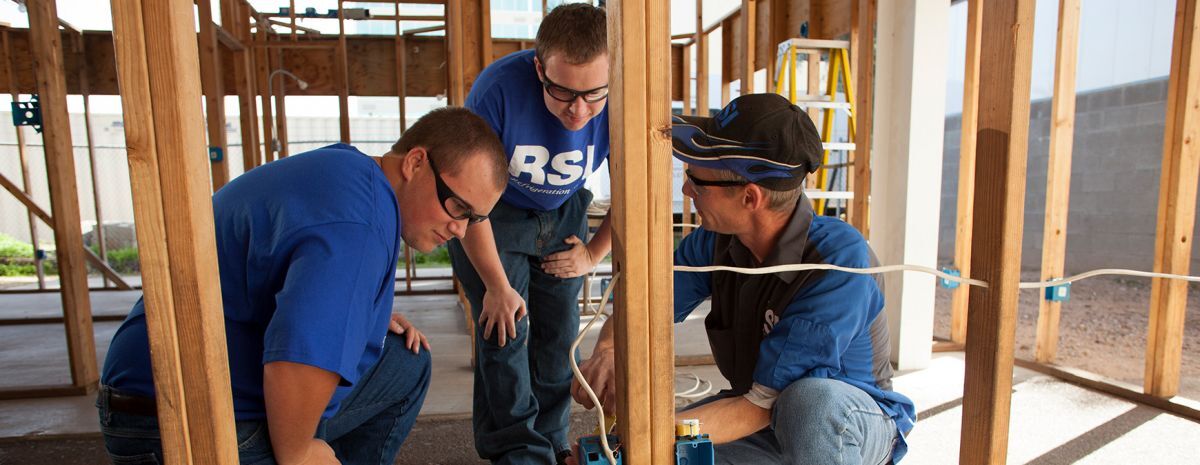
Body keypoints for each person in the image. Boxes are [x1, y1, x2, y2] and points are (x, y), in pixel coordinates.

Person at [97, 107, 509, 465]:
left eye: (473, 220)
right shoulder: (359, 226)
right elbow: (299, 360)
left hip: (157, 391)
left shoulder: (348, 173)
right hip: (180, 420)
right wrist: (299, 453)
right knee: (303, 439)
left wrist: (360, 321)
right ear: (415, 163)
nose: (459, 229)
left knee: (403, 361)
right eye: (457, 207)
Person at [572, 94, 917, 464]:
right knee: (654, 454)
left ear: (750, 197)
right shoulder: (715, 242)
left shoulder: (837, 260)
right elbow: (644, 306)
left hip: (845, 425)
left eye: (697, 182)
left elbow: (761, 404)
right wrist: (609, 349)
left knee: (808, 402)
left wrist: (638, 442)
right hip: (760, 418)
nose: (687, 191)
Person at [449, 3, 612, 464]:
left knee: (559, 339)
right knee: (505, 333)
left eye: (593, 95)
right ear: (540, 68)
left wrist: (593, 254)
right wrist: (497, 288)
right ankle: (518, 452)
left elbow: (638, 189)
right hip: (492, 216)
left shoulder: (623, 94)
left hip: (562, 212)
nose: (579, 110)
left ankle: (552, 442)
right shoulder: (496, 91)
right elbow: (467, 199)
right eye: (561, 92)